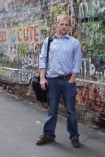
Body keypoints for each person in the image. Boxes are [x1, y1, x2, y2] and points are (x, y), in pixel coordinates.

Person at [36, 14, 82, 148]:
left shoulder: (74, 43)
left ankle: (74, 137)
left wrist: (72, 80)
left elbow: (77, 63)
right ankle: (48, 134)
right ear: (57, 25)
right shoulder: (49, 41)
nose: (64, 27)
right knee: (52, 109)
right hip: (52, 81)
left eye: (66, 25)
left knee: (71, 110)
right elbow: (42, 60)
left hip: (68, 80)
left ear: (69, 26)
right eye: (61, 24)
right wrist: (43, 78)